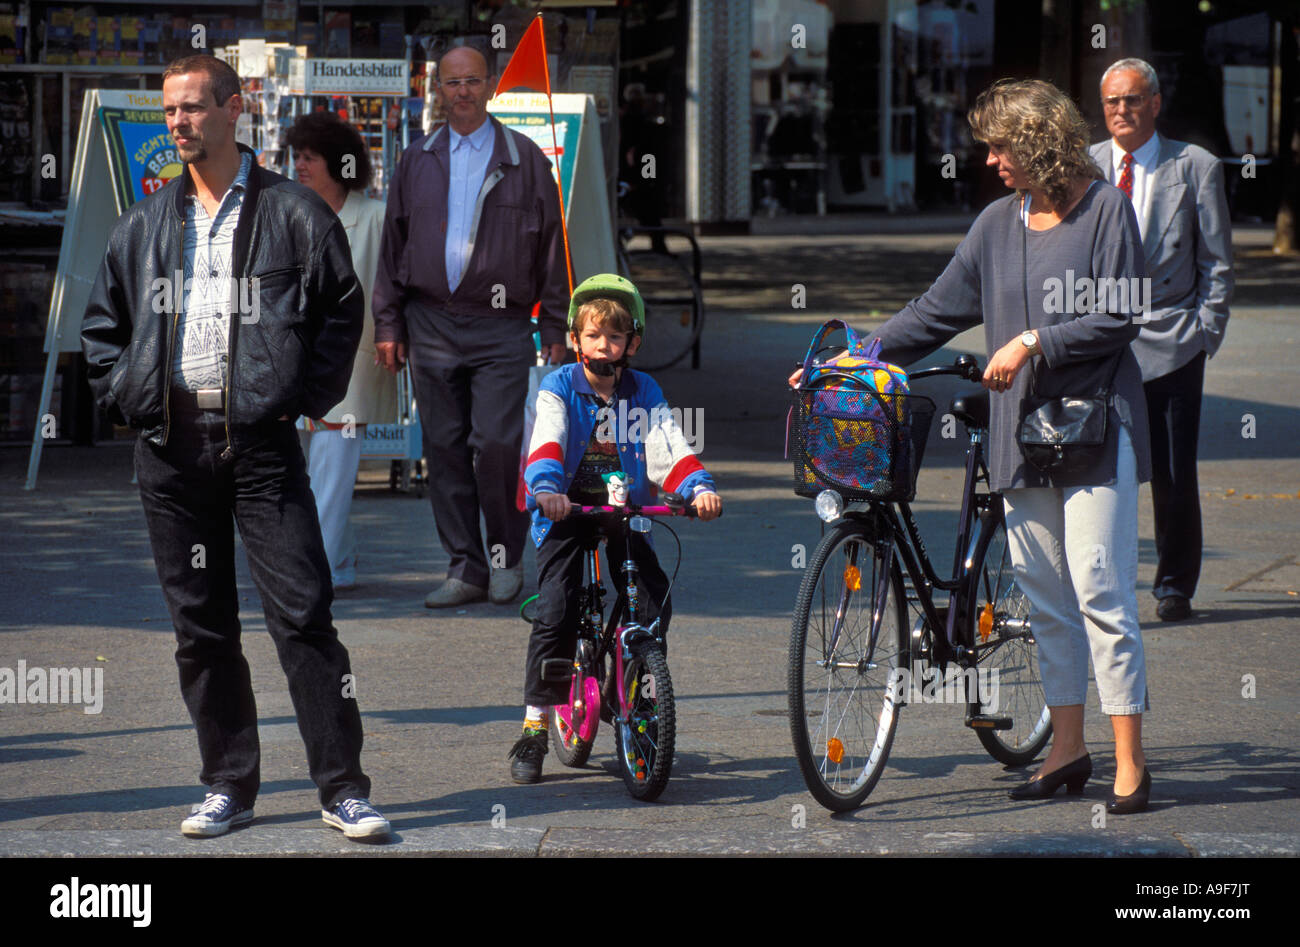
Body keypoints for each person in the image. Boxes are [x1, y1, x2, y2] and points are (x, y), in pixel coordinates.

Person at [792, 79, 1155, 813]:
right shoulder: (996, 223)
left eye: (1001, 146)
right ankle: (1067, 747)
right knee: (1049, 597)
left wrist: (1032, 340)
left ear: (1039, 142)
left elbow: (1122, 313)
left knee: (1099, 590)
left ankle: (1130, 759)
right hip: (1018, 433)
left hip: (1095, 425)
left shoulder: (1105, 211)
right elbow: (935, 310)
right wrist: (852, 357)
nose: (989, 160)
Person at [80, 55, 390, 840]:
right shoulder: (147, 222)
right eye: (170, 112)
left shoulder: (292, 210)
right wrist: (133, 395)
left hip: (259, 448)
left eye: (191, 108)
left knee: (304, 616)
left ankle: (343, 788)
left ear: (233, 108)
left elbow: (341, 309)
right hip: (172, 452)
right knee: (201, 628)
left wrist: (295, 398)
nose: (177, 122)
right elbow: (100, 332)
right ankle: (227, 783)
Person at [372, 45, 569, 609]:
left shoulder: (526, 158)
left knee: (498, 445)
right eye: (452, 82)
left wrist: (554, 322)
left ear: (489, 87)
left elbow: (552, 249)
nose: (462, 91)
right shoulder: (417, 158)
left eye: (473, 81)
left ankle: (506, 558)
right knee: (445, 446)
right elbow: (393, 248)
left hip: (502, 325)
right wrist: (389, 321)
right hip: (429, 321)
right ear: (438, 88)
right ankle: (466, 568)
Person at [507, 274, 722, 783]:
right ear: (576, 340)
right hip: (566, 511)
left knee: (652, 599)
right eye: (594, 335)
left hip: (624, 512)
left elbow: (670, 441)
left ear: (633, 342)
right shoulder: (559, 385)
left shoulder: (643, 389)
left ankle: (633, 692)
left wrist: (699, 489)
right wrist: (546, 488)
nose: (605, 345)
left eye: (616, 336)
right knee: (556, 609)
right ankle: (536, 728)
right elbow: (547, 442)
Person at [1091, 57, 1234, 623]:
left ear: (1154, 103)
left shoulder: (1195, 166)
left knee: (1173, 471)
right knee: (1096, 461)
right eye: (1111, 102)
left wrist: (1205, 333)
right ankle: (1100, 573)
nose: (1121, 111)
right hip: (1100, 341)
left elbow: (1217, 261)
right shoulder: (1087, 166)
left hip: (1174, 339)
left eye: (1131, 100)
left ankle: (1174, 584)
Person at [287, 111, 397, 590]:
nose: (300, 165)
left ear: (339, 163)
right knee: (305, 468)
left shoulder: (375, 216)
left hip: (354, 361)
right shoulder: (289, 210)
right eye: (297, 156)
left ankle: (319, 569)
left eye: (310, 157)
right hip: (294, 361)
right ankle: (342, 560)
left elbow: (393, 286)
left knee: (331, 470)